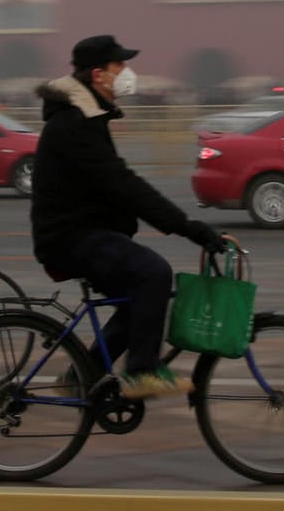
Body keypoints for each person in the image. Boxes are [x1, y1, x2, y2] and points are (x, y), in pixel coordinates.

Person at [31, 35, 229, 399]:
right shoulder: (76, 124)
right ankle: (141, 371)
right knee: (153, 273)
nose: (126, 72)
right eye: (118, 65)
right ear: (98, 74)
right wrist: (188, 227)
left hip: (80, 232)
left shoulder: (85, 116)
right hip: (70, 237)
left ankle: (81, 375)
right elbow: (123, 184)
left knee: (141, 296)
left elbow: (116, 185)